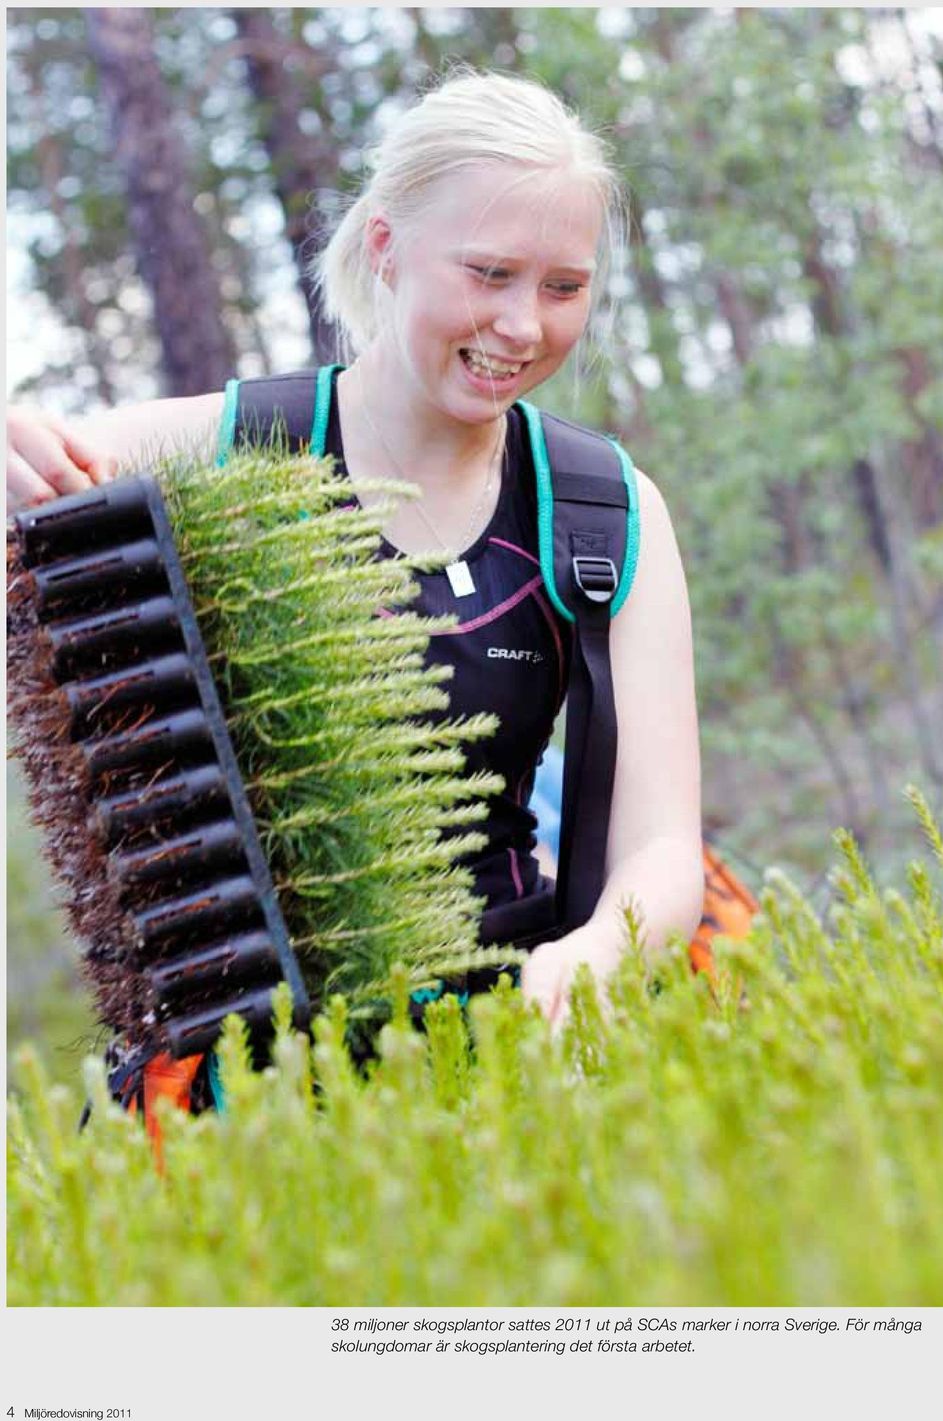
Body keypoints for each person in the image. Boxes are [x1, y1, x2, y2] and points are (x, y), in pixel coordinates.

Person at [6, 69, 703, 1031]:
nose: (522, 324)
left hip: (509, 1027)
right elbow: (44, 474)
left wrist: (592, 956)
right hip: (261, 1062)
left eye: (563, 287)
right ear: (385, 245)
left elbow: (664, 845)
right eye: (488, 272)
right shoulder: (227, 452)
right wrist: (21, 452)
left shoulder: (604, 513)